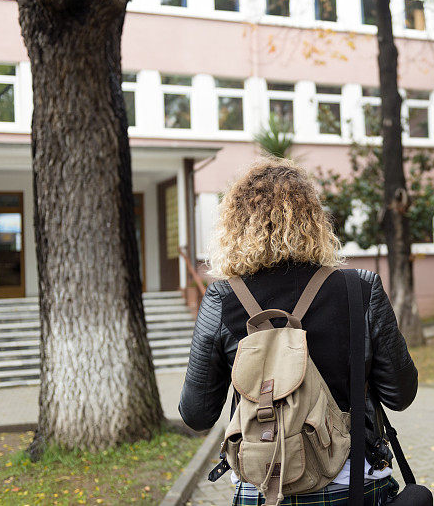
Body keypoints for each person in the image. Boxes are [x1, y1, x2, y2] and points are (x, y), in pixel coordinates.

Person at [179, 158, 419, 505]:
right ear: (315, 221)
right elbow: (401, 394)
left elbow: (196, 414)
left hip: (262, 490)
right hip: (355, 486)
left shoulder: (222, 299)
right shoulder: (360, 290)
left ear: (235, 225)